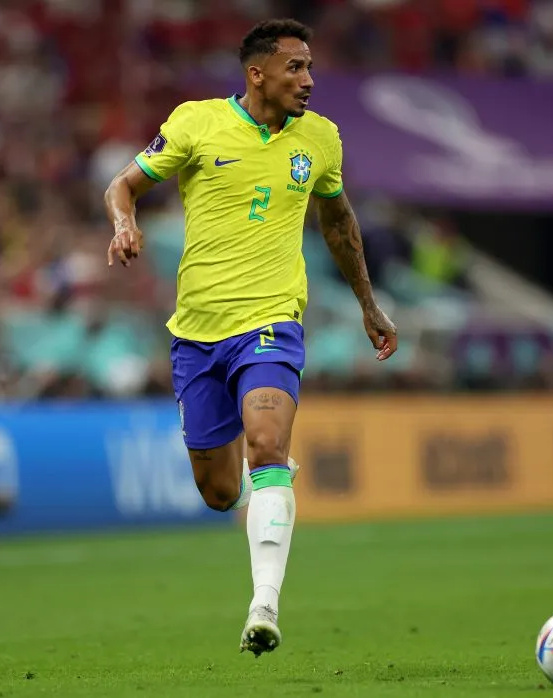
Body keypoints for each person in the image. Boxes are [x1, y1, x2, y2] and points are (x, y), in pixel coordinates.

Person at [103, 18, 398, 656]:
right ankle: (268, 477)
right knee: (220, 492)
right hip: (196, 335)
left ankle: (263, 606)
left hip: (271, 321)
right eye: (296, 68)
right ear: (256, 73)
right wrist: (124, 225)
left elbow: (340, 223)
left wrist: (368, 306)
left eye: (311, 67)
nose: (310, 81)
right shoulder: (196, 124)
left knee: (264, 444)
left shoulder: (320, 140)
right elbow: (122, 185)